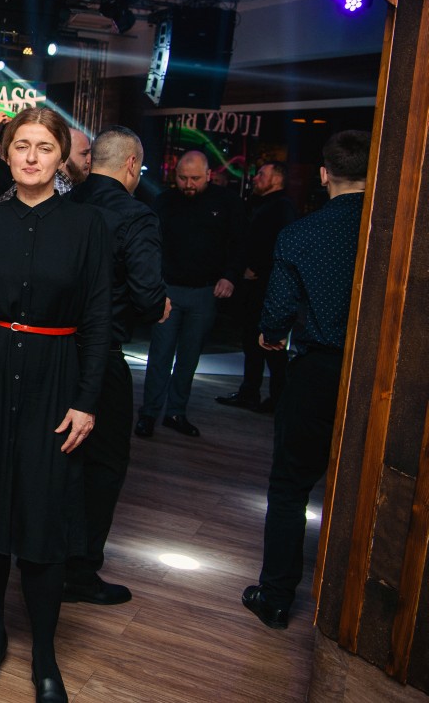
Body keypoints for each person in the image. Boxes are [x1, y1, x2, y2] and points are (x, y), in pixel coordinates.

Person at [0, 106, 112, 699]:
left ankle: (46, 656)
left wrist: (86, 400)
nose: (32, 157)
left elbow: (100, 320)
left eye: (44, 147)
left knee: (43, 517)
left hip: (53, 379)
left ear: (63, 159)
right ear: (6, 155)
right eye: (22, 146)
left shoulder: (88, 226)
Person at [242, 130, 369, 630]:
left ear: (324, 174)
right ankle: (358, 604)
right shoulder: (394, 231)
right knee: (368, 487)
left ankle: (275, 597)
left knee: (291, 485)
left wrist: (272, 335)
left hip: (318, 369)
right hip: (377, 376)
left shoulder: (300, 233)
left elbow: (277, 311)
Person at [64, 126, 169, 606]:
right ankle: (80, 573)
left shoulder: (64, 203)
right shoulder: (135, 215)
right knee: (103, 465)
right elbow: (147, 296)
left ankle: (45, 559)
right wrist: (159, 304)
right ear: (131, 165)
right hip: (101, 358)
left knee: (57, 458)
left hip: (52, 352)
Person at [136, 150, 245, 439]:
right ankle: (148, 413)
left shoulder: (227, 202)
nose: (188, 184)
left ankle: (176, 412)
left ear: (208, 175)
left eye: (195, 178)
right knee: (159, 354)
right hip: (169, 289)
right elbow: (151, 243)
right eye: (183, 178)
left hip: (205, 291)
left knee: (189, 355)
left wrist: (230, 276)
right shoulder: (165, 201)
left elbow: (238, 243)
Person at [216, 161, 296, 413]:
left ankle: (276, 398)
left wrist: (258, 269)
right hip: (257, 287)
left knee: (270, 344)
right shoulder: (261, 204)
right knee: (252, 342)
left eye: (262, 174)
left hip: (268, 288)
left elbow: (282, 245)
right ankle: (251, 393)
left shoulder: (281, 207)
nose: (255, 177)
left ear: (277, 179)